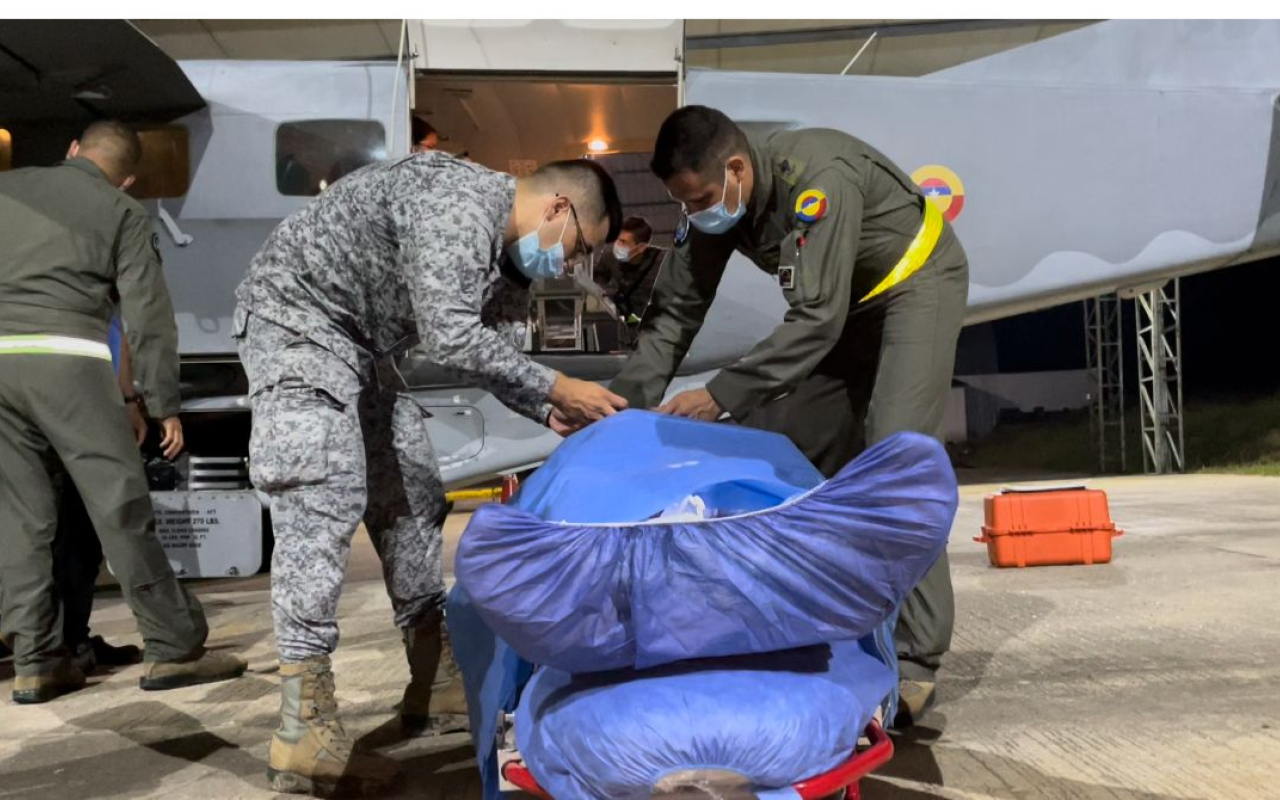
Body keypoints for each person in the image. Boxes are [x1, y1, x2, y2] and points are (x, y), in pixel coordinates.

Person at [235, 151, 627, 796]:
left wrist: (544, 404)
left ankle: (434, 680)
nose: (570, 264)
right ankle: (303, 729)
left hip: (361, 346)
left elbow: (490, 342)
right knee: (319, 497)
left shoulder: (501, 254)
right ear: (559, 209)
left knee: (413, 490)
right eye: (580, 245)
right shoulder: (459, 203)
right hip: (297, 326)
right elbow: (449, 334)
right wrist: (559, 383)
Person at [610, 106, 970, 723]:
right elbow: (674, 314)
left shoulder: (818, 177)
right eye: (684, 204)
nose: (697, 214)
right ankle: (809, 617)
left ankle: (914, 659)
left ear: (736, 168)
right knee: (790, 442)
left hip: (913, 287)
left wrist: (720, 394)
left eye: (700, 199)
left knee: (894, 457)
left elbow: (816, 319)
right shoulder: (714, 200)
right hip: (844, 314)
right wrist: (623, 414)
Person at [0, 120, 246, 705]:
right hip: (69, 364)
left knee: (21, 519)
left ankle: (37, 660)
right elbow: (148, 316)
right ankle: (173, 646)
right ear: (128, 178)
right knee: (120, 507)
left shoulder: (7, 188)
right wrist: (160, 404)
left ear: (72, 149)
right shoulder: (124, 212)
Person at [593, 216, 666, 348]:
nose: (618, 246)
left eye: (623, 242)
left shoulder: (663, 262)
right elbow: (597, 279)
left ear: (641, 247)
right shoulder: (609, 257)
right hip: (626, 336)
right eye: (617, 240)